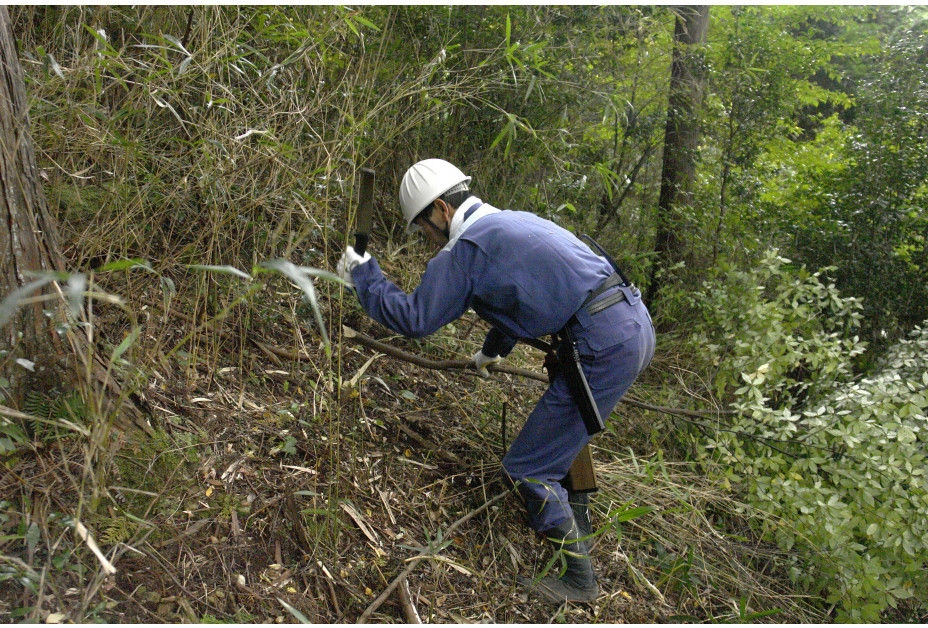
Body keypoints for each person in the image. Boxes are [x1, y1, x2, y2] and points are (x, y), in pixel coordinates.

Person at [337, 158, 655, 603]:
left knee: (528, 466)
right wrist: (492, 351)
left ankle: (580, 579)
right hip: (629, 322)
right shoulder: (507, 223)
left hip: (603, 342)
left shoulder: (468, 248)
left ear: (443, 210)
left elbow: (415, 318)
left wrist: (364, 275)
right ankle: (576, 523)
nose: (427, 239)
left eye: (424, 227)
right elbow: (518, 297)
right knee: (569, 424)